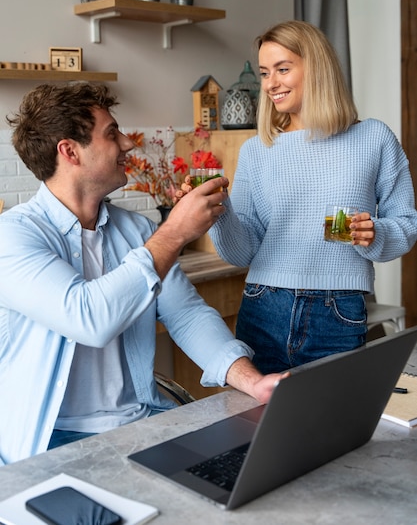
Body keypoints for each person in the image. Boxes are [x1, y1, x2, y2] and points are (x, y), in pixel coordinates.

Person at [0, 83, 288, 466]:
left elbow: (186, 315)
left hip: (140, 420)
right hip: (53, 438)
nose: (127, 144)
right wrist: (174, 233)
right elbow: (88, 317)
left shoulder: (134, 230)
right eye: (111, 134)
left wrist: (254, 382)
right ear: (70, 151)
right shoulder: (14, 235)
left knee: (253, 471)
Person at [206, 20, 417, 375]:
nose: (271, 83)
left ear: (317, 68)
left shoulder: (372, 138)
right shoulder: (258, 150)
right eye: (264, 73)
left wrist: (374, 233)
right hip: (263, 304)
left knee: (335, 423)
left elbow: (407, 224)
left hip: (338, 310)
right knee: (260, 426)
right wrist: (219, 210)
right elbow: (243, 251)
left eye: (283, 69)